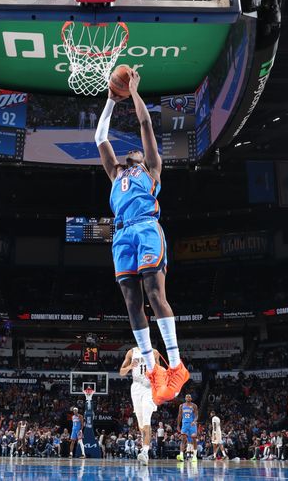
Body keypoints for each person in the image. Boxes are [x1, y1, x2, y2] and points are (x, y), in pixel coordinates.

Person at [95, 69, 189, 406]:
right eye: (130, 152)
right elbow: (100, 138)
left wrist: (133, 91)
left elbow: (146, 126)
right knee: (132, 303)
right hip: (121, 236)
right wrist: (109, 100)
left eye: (135, 151)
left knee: (154, 293)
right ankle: (154, 368)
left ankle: (176, 365)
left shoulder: (151, 167)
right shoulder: (114, 173)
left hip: (147, 227)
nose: (132, 150)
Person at [119, 346, 162, 465]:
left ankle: (145, 452)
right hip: (136, 387)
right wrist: (130, 366)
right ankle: (144, 447)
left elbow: (159, 373)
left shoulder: (154, 352)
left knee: (147, 421)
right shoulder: (131, 352)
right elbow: (121, 372)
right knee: (141, 425)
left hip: (148, 388)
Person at [176, 394, 198, 463]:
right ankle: (181, 455)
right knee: (183, 440)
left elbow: (196, 416)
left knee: (194, 438)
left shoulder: (194, 406)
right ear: (185, 398)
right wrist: (178, 425)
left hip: (192, 424)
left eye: (189, 397)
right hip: (184, 424)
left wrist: (194, 421)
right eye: (187, 397)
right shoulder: (181, 406)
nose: (188, 398)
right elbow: (179, 416)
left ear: (191, 398)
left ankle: (194, 456)